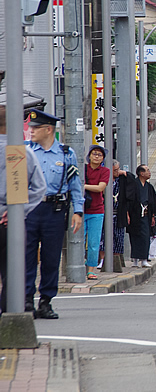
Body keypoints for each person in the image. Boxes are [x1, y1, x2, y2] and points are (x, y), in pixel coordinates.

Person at [25, 109, 84, 319]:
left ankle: (45, 301)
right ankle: (26, 300)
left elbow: (75, 185)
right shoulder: (25, 151)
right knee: (26, 256)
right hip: (29, 209)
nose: (30, 131)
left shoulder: (66, 153)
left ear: (48, 130)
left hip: (55, 210)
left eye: (35, 128)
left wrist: (78, 210)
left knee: (51, 258)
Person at [0, 106, 47, 316]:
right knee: (11, 270)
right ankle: (10, 315)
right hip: (10, 221)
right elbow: (39, 188)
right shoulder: (21, 152)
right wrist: (19, 211)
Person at [127, 165, 156, 268]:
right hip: (135, 214)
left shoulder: (149, 187)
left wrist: (153, 216)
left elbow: (153, 202)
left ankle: (144, 259)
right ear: (141, 173)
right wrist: (127, 213)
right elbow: (129, 200)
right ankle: (135, 260)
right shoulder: (133, 184)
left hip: (146, 214)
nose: (149, 172)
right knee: (135, 236)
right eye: (147, 171)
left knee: (146, 237)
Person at [84, 145, 110, 279]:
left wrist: (83, 186)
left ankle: (91, 270)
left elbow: (100, 188)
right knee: (79, 241)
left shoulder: (105, 171)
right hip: (81, 210)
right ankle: (79, 267)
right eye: (94, 154)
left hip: (97, 210)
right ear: (89, 156)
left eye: (99, 155)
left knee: (94, 243)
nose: (96, 156)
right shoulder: (83, 169)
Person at [102, 160, 130, 269]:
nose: (117, 172)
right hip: (105, 213)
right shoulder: (104, 180)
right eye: (115, 170)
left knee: (118, 237)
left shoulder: (120, 180)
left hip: (119, 213)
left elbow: (132, 181)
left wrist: (124, 173)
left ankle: (116, 259)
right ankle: (103, 260)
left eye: (118, 169)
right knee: (104, 237)